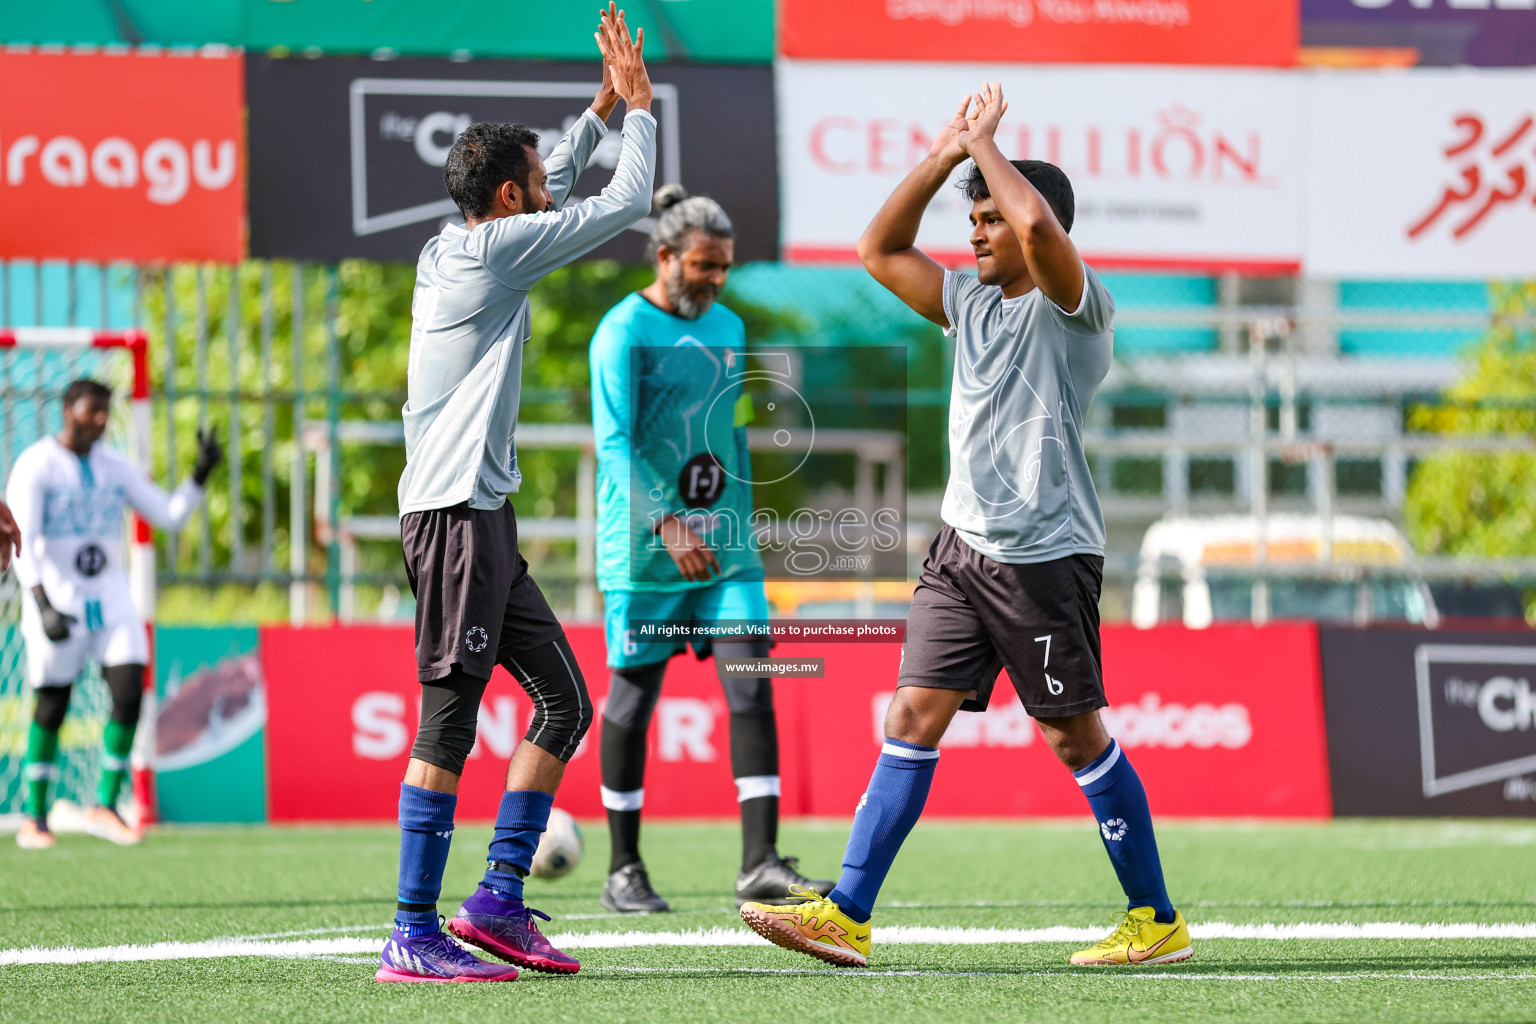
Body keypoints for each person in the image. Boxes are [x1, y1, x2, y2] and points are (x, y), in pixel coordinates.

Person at [740, 84, 1191, 968]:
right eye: (971, 220)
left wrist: (990, 148)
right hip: (959, 551)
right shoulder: (968, 303)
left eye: (988, 221)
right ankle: (848, 913)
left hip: (1043, 560)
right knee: (912, 712)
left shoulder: (1074, 307)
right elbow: (878, 248)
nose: (975, 233)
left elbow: (1041, 237)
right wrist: (949, 152)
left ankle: (1156, 919)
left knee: (1075, 737)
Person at [376, 5, 657, 985]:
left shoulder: (466, 240)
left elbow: (567, 179)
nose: (549, 193)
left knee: (563, 702)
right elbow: (622, 202)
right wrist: (643, 111)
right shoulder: (495, 253)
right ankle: (413, 929)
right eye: (535, 186)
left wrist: (598, 105)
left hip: (478, 516)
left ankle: (497, 899)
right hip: (455, 516)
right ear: (507, 196)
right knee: (449, 719)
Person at [588, 186, 836, 914]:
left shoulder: (728, 326)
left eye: (724, 266)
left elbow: (728, 436)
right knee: (634, 698)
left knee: (752, 686)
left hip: (724, 551)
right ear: (665, 257)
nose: (716, 279)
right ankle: (623, 869)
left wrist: (736, 523)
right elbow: (612, 445)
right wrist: (667, 522)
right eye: (703, 265)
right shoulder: (621, 333)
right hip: (644, 549)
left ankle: (760, 862)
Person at [7, 378, 221, 851]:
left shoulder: (113, 466)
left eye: (106, 411)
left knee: (129, 690)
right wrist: (42, 604)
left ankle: (104, 804)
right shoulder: (35, 465)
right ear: (68, 410)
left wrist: (200, 475)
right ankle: (34, 815)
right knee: (52, 705)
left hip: (112, 602)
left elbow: (167, 515)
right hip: (56, 602)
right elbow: (23, 543)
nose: (101, 420)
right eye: (92, 410)